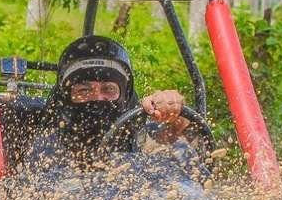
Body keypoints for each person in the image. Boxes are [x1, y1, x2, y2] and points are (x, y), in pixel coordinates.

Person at [23, 35, 194, 171]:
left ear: (124, 95)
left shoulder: (137, 129)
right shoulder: (46, 136)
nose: (98, 98)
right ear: (67, 96)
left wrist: (172, 111)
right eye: (84, 90)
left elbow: (175, 136)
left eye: (109, 89)